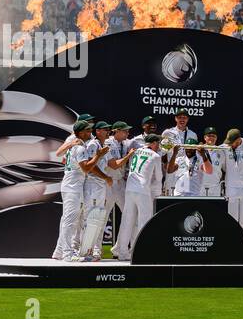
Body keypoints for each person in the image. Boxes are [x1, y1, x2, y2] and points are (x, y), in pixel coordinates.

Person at [114, 133, 164, 261]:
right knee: (144, 221)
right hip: (143, 190)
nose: (158, 145)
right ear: (153, 143)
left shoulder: (135, 152)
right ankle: (141, 251)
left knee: (127, 221)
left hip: (130, 188)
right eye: (157, 143)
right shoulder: (155, 155)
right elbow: (159, 177)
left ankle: (123, 252)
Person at [51, 121, 94, 261]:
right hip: (73, 187)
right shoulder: (79, 147)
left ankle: (59, 251)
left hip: (71, 185)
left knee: (67, 220)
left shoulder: (75, 145)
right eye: (88, 130)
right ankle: (67, 254)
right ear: (81, 132)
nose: (90, 133)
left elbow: (61, 156)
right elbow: (86, 169)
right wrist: (98, 156)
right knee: (70, 221)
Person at [75, 122, 116, 262]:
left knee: (97, 219)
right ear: (98, 131)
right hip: (92, 185)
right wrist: (106, 177)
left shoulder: (103, 145)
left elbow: (111, 165)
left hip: (100, 186)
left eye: (108, 129)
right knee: (89, 218)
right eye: (105, 129)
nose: (108, 131)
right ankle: (84, 252)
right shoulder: (93, 144)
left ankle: (92, 251)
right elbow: (91, 167)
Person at [223, 129, 243, 243]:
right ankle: (231, 245)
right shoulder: (225, 147)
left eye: (233, 142)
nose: (230, 144)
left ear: (239, 139)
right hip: (231, 188)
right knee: (232, 218)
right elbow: (211, 148)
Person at [160, 111, 198, 195]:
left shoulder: (193, 134)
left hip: (184, 170)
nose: (182, 120)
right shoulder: (167, 132)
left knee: (182, 195)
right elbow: (162, 151)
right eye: (180, 117)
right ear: (175, 118)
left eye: (184, 118)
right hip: (172, 168)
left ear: (187, 119)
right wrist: (165, 164)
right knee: (169, 194)